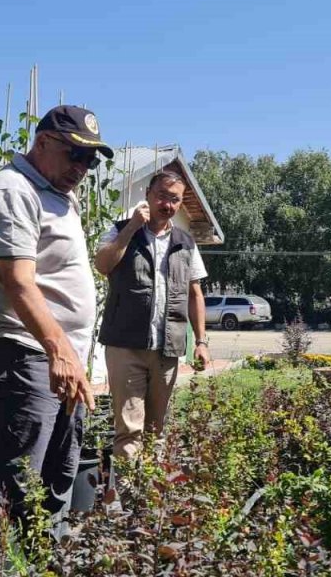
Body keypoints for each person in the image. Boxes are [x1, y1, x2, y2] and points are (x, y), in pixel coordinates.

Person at [0, 105, 113, 575]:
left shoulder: (58, 195)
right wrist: (59, 349)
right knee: (9, 487)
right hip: (27, 356)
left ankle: (35, 566)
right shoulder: (12, 191)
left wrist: (73, 355)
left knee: (55, 480)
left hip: (60, 360)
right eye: (74, 155)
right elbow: (18, 283)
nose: (81, 169)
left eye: (90, 161)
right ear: (42, 141)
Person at [93, 169, 210, 459]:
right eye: (161, 196)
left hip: (167, 348)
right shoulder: (120, 230)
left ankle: (151, 499)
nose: (166, 205)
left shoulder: (186, 242)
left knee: (157, 430)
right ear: (147, 194)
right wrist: (132, 227)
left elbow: (195, 294)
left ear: (180, 204)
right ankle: (126, 498)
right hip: (125, 345)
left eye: (174, 199)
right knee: (129, 430)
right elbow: (103, 265)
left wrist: (202, 342)